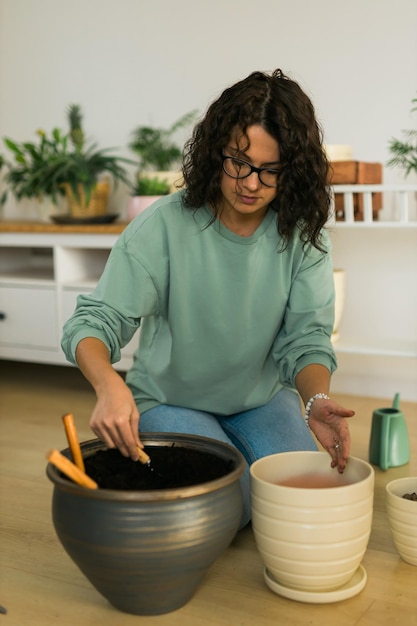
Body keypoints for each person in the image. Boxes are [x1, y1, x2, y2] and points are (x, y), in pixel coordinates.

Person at [62, 68, 354, 528]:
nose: (251, 183)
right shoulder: (163, 225)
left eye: (269, 170)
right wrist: (109, 386)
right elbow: (95, 322)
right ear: (216, 150)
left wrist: (316, 401)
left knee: (300, 500)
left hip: (261, 398)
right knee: (227, 509)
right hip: (172, 400)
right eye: (238, 161)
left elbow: (308, 339)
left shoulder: (303, 236)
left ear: (292, 171)